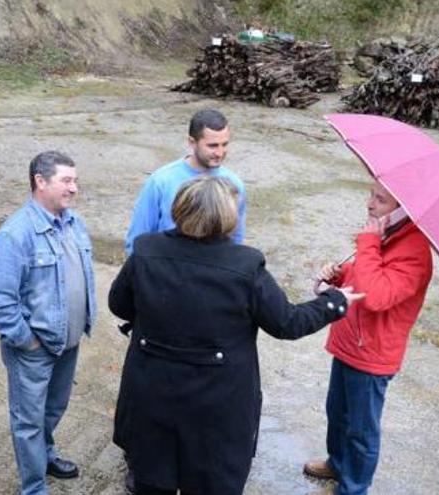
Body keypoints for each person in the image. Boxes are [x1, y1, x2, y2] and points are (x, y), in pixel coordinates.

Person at [109, 176, 363, 495]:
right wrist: (334, 302)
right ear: (227, 217)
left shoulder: (147, 250)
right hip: (216, 407)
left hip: (151, 396)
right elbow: (287, 323)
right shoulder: (245, 265)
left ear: (181, 208)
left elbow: (118, 303)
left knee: (151, 481)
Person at [303, 180, 433, 495]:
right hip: (349, 342)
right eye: (371, 194)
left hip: (373, 353)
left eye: (380, 199)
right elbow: (365, 278)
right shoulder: (385, 233)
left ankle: (353, 487)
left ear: (401, 208)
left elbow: (375, 296)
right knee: (337, 411)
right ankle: (337, 463)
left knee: (362, 430)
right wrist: (341, 274)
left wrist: (368, 242)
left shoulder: (414, 251)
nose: (369, 203)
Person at [0, 151, 98, 495]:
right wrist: (27, 341)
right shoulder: (14, 235)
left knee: (53, 409)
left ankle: (45, 455)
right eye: (66, 180)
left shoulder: (74, 223)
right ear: (40, 182)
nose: (74, 188)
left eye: (75, 180)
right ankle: (33, 488)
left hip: (68, 342)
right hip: (35, 349)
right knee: (28, 421)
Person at [124, 108, 246, 255]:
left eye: (224, 144)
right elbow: (137, 239)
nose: (220, 153)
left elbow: (235, 240)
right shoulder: (161, 182)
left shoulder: (234, 184)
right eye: (212, 146)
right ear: (192, 142)